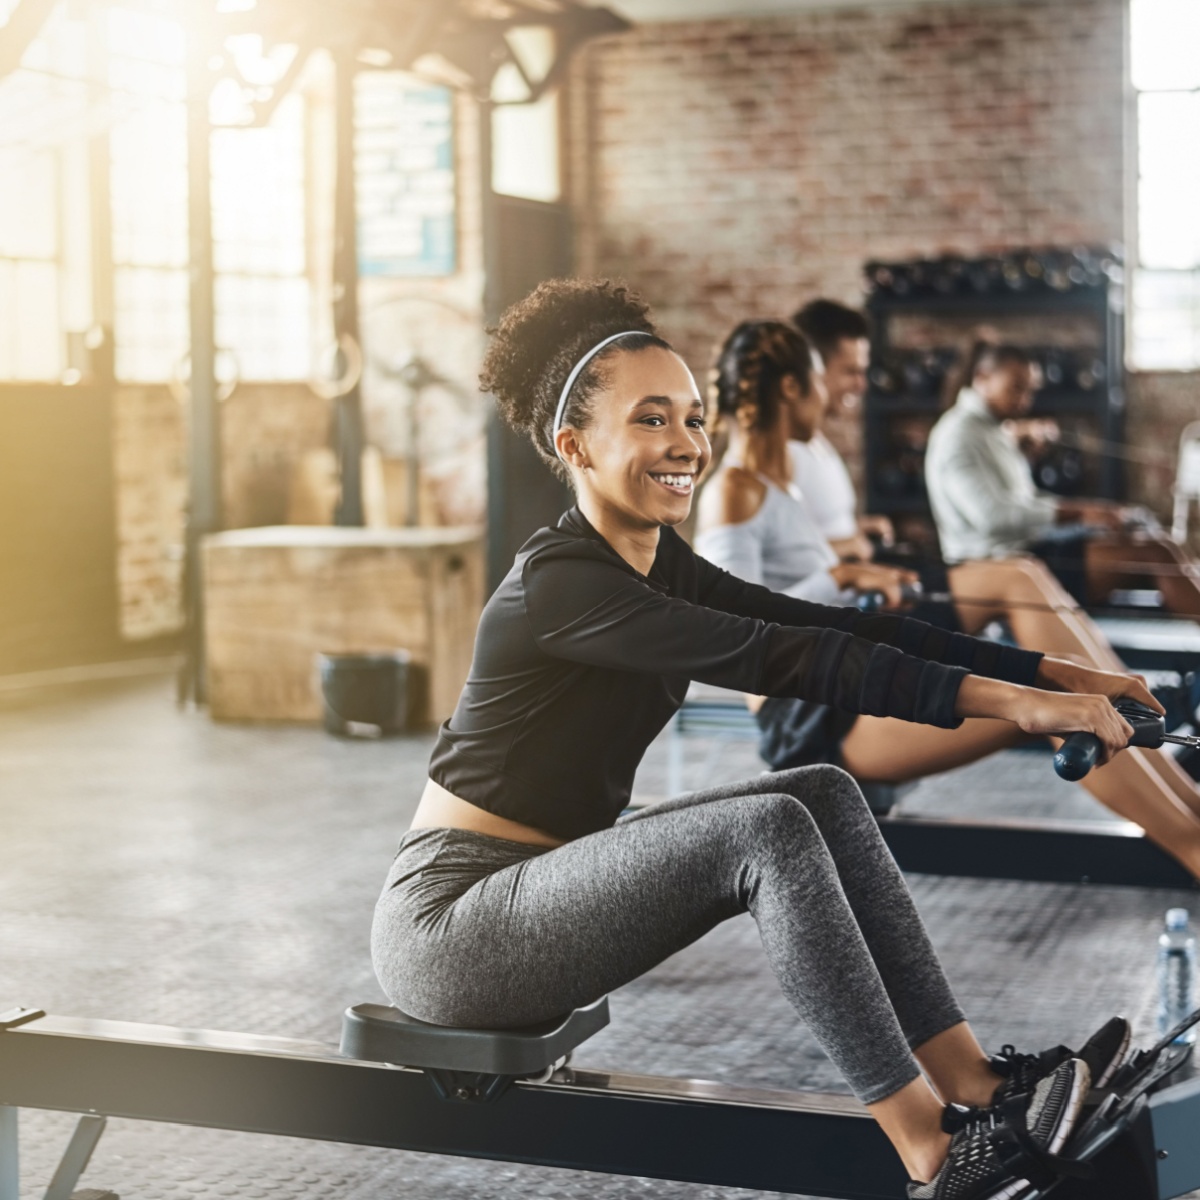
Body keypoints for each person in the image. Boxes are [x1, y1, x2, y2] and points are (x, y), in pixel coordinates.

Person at [371, 278, 1156, 1198]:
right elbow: (778, 657)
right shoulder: (563, 585)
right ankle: (935, 1156)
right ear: (575, 447)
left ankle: (977, 1084)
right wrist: (1009, 709)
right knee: (767, 832)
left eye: (694, 419)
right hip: (455, 929)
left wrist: (1049, 674)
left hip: (535, 896)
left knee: (819, 788)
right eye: (652, 419)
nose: (685, 445)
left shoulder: (657, 562)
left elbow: (830, 628)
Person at [695, 318, 1200, 858]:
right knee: (1051, 710)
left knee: (1066, 687)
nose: (833, 394)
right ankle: (1192, 842)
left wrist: (853, 562)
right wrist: (840, 576)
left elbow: (795, 585)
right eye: (823, 379)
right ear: (792, 388)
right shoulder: (732, 490)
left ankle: (1188, 803)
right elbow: (728, 627)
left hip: (851, 670)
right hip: (810, 715)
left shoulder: (781, 486)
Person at [926, 341, 1200, 617]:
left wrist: (1094, 515)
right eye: (1015, 388)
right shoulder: (958, 435)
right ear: (982, 379)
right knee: (1155, 554)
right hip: (998, 564)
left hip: (1029, 548)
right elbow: (991, 516)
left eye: (1029, 390)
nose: (1024, 400)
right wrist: (1080, 512)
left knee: (1152, 538)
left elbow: (1024, 500)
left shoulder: (991, 430)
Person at [790, 298, 892, 559]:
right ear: (812, 369)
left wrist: (855, 530)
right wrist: (848, 546)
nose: (862, 385)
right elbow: (775, 558)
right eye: (850, 372)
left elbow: (806, 531)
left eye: (863, 372)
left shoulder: (816, 442)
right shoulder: (778, 453)